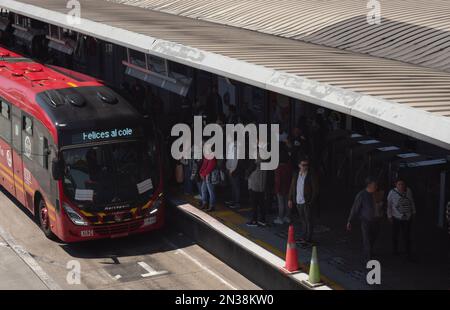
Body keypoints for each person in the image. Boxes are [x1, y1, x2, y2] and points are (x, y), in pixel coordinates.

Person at [347, 177, 381, 261]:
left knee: (374, 236)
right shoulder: (361, 195)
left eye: (376, 185)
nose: (376, 186)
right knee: (366, 238)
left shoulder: (377, 194)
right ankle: (368, 255)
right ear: (369, 185)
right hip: (366, 220)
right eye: (374, 185)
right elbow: (355, 208)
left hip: (376, 220)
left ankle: (369, 251)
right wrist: (350, 220)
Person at [288, 156, 319, 243]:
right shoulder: (296, 174)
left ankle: (308, 238)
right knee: (302, 219)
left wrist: (311, 201)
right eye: (303, 165)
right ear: (299, 165)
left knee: (309, 220)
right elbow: (292, 186)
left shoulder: (311, 175)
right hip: (298, 200)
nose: (305, 166)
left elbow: (315, 189)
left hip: (306, 201)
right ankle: (304, 236)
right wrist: (290, 199)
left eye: (307, 165)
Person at [387, 178, 416, 258]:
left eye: (402, 184)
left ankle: (408, 251)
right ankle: (395, 250)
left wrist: (413, 212)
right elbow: (389, 205)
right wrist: (389, 216)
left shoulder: (408, 191)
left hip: (407, 217)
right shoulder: (392, 193)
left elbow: (411, 201)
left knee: (407, 235)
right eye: (399, 184)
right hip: (396, 217)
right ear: (396, 185)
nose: (401, 186)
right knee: (395, 235)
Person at [246, 143, 268, 227]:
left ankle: (254, 220)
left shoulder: (255, 162)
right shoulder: (265, 161)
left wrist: (247, 175)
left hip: (254, 184)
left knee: (254, 203)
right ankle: (262, 220)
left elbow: (249, 172)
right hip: (261, 185)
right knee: (261, 203)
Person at [273, 139, 292, 224]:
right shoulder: (289, 167)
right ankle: (287, 217)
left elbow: (278, 180)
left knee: (281, 204)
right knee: (287, 203)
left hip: (280, 188)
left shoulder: (278, 168)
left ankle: (280, 218)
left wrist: (276, 190)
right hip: (288, 187)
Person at [225, 136, 242, 209]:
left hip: (234, 170)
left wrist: (232, 169)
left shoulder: (235, 146)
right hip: (231, 169)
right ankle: (233, 200)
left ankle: (237, 203)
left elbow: (235, 159)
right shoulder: (232, 145)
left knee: (235, 186)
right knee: (233, 186)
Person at [199, 147, 217, 212]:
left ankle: (212, 206)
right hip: (206, 176)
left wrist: (202, 174)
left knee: (211, 191)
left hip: (210, 176)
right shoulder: (207, 156)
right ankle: (205, 203)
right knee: (203, 189)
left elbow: (210, 167)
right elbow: (204, 165)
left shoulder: (212, 156)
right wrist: (200, 172)